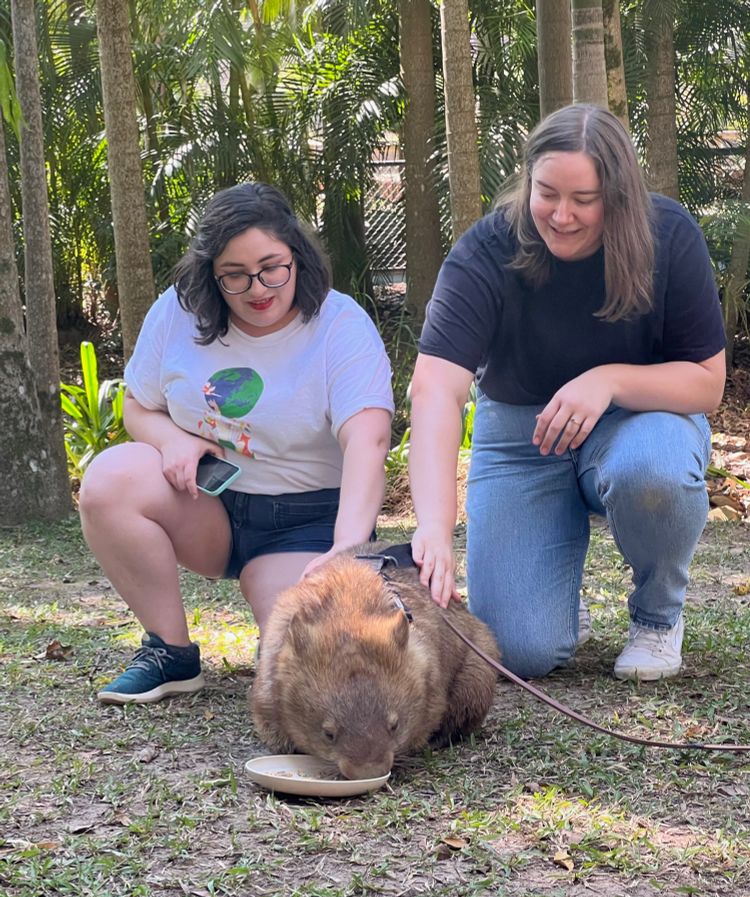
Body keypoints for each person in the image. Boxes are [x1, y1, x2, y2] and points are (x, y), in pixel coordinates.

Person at [409, 103, 725, 682]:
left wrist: (608, 381)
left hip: (637, 422)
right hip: (522, 441)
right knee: (518, 653)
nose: (562, 215)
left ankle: (657, 618)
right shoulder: (486, 250)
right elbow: (434, 387)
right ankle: (549, 592)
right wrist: (433, 524)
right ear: (527, 179)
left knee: (653, 470)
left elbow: (706, 383)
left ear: (620, 194)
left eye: (585, 199)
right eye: (547, 192)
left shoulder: (668, 236)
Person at [80, 182, 394, 704]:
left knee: (309, 668)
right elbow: (137, 403)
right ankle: (170, 653)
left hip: (309, 522)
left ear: (297, 255)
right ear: (210, 274)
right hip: (209, 506)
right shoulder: (178, 312)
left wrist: (349, 546)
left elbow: (369, 438)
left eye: (272, 266)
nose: (258, 287)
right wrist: (169, 439)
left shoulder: (340, 324)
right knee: (109, 480)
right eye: (235, 275)